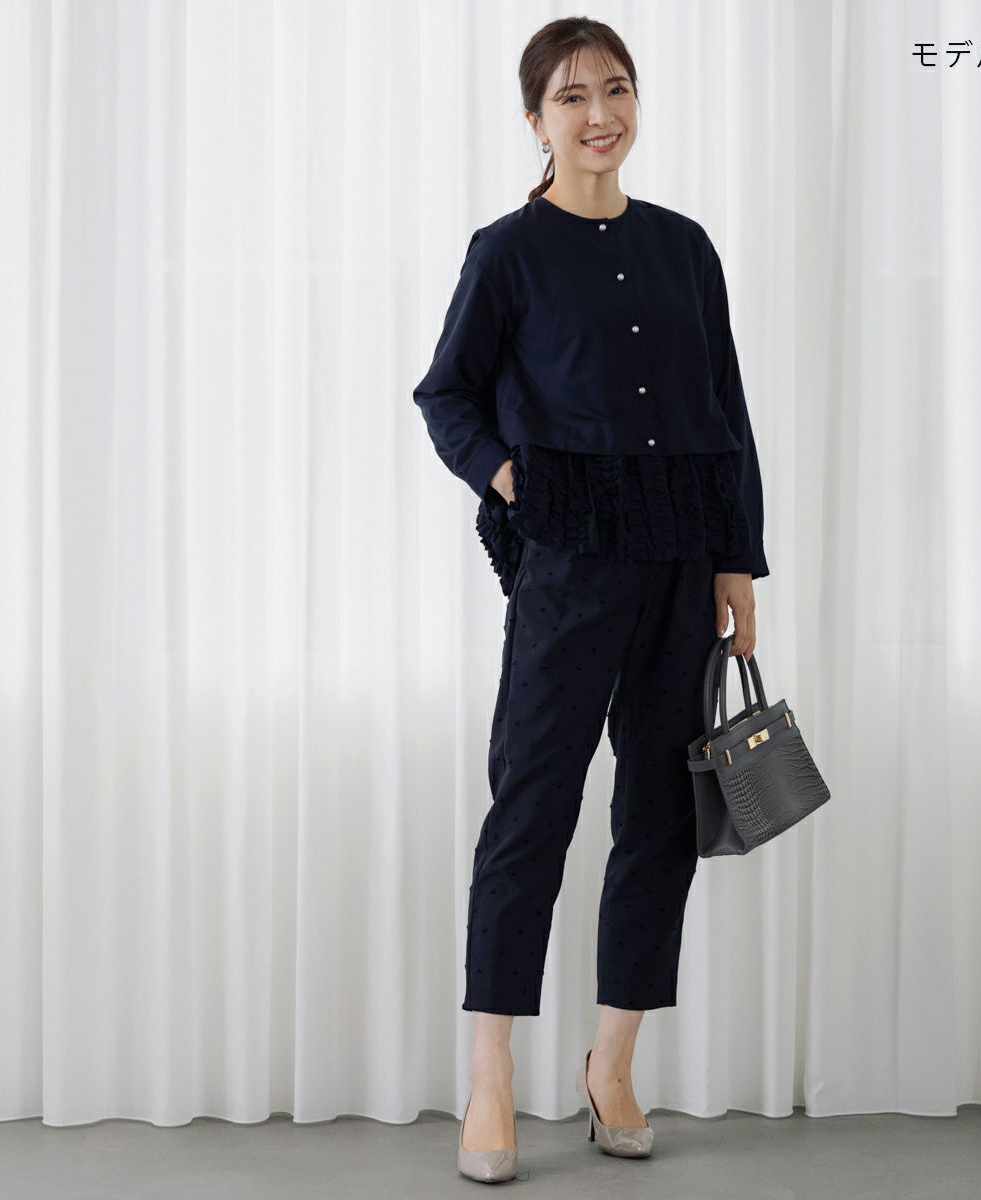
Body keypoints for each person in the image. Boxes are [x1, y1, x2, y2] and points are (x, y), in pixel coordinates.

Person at [412, 16, 770, 1184]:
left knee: (660, 812)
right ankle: (490, 1079)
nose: (599, 114)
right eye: (571, 97)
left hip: (682, 556)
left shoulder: (684, 247)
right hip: (567, 560)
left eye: (616, 90)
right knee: (531, 805)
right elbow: (447, 395)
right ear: (536, 120)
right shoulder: (507, 252)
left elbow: (725, 410)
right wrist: (510, 476)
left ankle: (612, 1063)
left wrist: (737, 563)